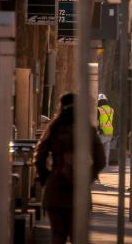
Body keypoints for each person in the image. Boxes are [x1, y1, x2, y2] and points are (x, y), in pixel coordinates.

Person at [34, 93, 105, 244]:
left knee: (58, 236)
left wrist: (47, 177)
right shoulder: (86, 129)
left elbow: (39, 157)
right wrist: (88, 177)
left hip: (56, 190)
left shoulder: (53, 128)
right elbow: (100, 160)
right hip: (79, 191)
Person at [97, 93, 114, 168]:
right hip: (110, 131)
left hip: (102, 131)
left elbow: (96, 120)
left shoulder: (99, 109)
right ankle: (106, 165)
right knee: (107, 150)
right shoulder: (111, 109)